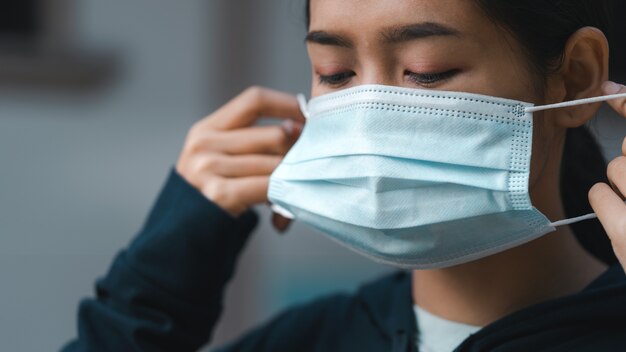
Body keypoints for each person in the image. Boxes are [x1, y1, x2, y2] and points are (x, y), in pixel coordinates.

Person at [62, 0, 626, 351]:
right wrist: (160, 279)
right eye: (335, 74)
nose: (368, 117)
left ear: (575, 79)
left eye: (425, 71)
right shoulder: (306, 341)